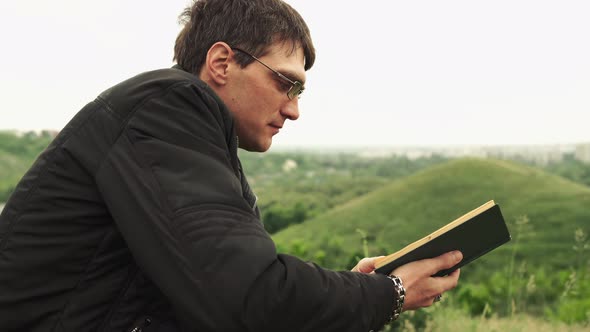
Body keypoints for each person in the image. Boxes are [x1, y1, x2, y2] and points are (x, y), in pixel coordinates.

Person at [0, 0, 462, 331]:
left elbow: (223, 289)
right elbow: (247, 297)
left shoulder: (194, 139)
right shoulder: (169, 106)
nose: (294, 109)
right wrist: (387, 294)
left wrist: (351, 288)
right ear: (221, 63)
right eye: (287, 83)